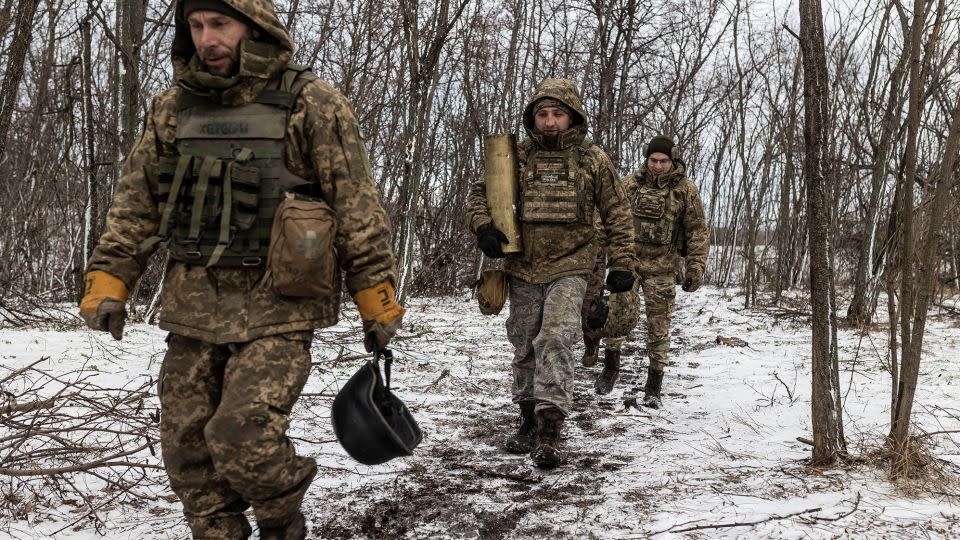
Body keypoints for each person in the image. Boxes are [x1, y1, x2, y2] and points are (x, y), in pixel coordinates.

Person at [78, 1, 402, 538]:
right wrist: (110, 280)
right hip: (194, 303)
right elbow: (137, 205)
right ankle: (215, 530)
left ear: (254, 28)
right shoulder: (171, 108)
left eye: (220, 24)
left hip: (280, 302)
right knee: (186, 442)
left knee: (241, 434)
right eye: (197, 26)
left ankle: (281, 520)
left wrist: (376, 296)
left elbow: (356, 208)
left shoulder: (312, 103)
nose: (208, 39)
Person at [467, 79, 636, 468]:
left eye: (557, 114)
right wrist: (482, 227)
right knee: (524, 341)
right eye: (542, 114)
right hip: (523, 265)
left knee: (556, 337)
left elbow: (618, 213)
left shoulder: (592, 159)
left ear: (572, 116)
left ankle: (549, 428)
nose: (549, 121)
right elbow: (480, 195)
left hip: (572, 265)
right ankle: (526, 417)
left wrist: (623, 263)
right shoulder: (516, 156)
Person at [622, 135, 709, 409]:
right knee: (617, 312)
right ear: (646, 160)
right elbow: (611, 220)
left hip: (662, 269)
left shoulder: (686, 190)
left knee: (658, 327)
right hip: (629, 264)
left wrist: (695, 266)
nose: (658, 166)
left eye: (663, 161)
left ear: (673, 161)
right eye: (653, 160)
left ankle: (654, 385)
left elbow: (697, 231)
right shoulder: (631, 185)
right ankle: (610, 365)